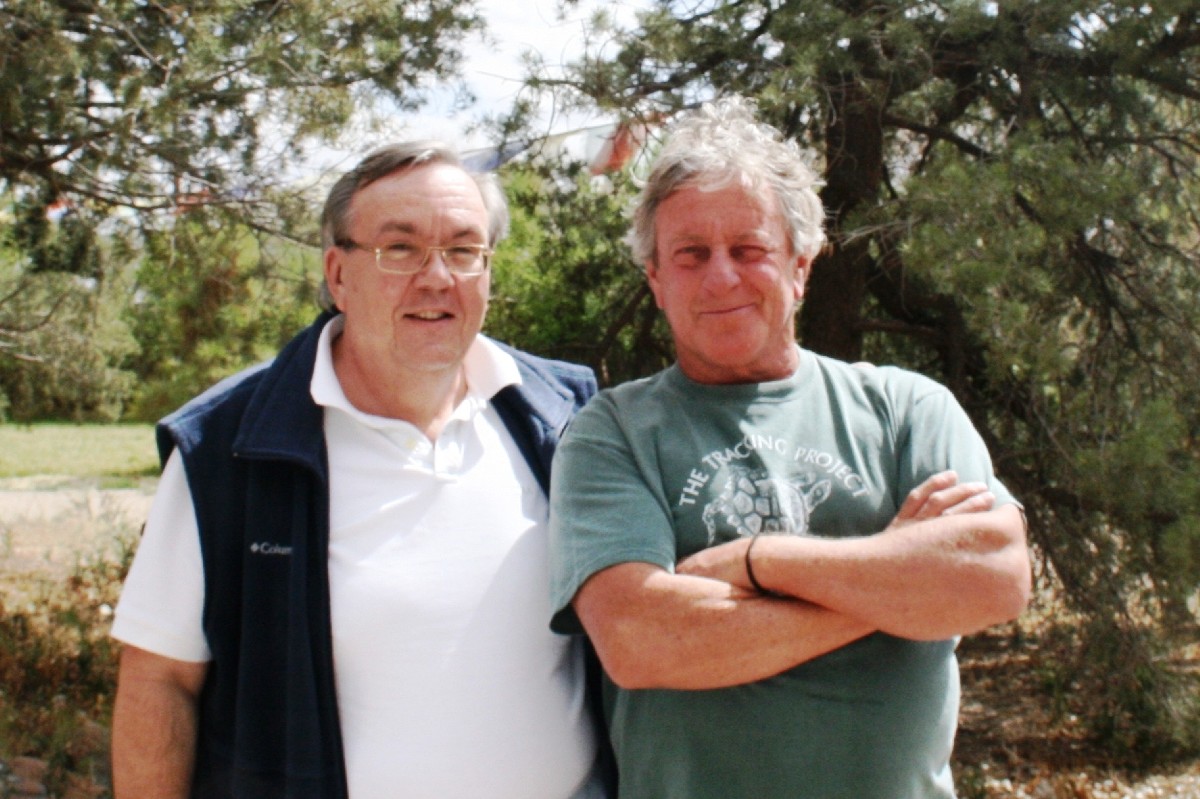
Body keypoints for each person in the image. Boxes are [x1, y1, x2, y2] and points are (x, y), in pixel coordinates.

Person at [548, 98, 1032, 799]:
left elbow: (993, 579)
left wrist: (757, 560)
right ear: (655, 279)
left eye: (749, 250)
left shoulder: (905, 408)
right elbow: (641, 639)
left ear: (800, 267)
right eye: (691, 254)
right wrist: (899, 582)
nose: (721, 277)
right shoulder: (612, 432)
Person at [110, 141, 612, 799]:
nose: (437, 276)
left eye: (464, 250)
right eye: (400, 249)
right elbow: (159, 679)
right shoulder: (230, 446)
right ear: (338, 274)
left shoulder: (563, 416)